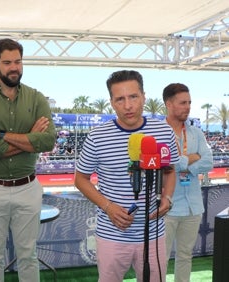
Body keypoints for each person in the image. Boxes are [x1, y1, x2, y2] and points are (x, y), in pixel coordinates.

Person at [74, 70, 179, 282]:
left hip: (153, 234)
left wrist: (167, 198)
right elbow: (80, 179)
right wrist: (108, 207)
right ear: (111, 102)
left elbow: (170, 171)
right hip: (111, 235)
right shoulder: (97, 137)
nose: (128, 105)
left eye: (133, 97)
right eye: (120, 99)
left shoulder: (163, 131)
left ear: (144, 97)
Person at [0, 38, 56, 282]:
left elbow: (48, 141)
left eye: (17, 61)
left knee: (28, 255)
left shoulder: (36, 98)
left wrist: (4, 136)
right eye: (7, 62)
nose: (13, 67)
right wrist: (29, 140)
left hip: (27, 187)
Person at [163, 83, 213, 282]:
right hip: (166, 207)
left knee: (185, 256)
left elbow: (208, 161)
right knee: (161, 258)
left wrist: (182, 164)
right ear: (168, 104)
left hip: (193, 206)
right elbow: (165, 165)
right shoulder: (158, 132)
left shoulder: (196, 133)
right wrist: (190, 158)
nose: (188, 106)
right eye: (183, 102)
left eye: (189, 102)